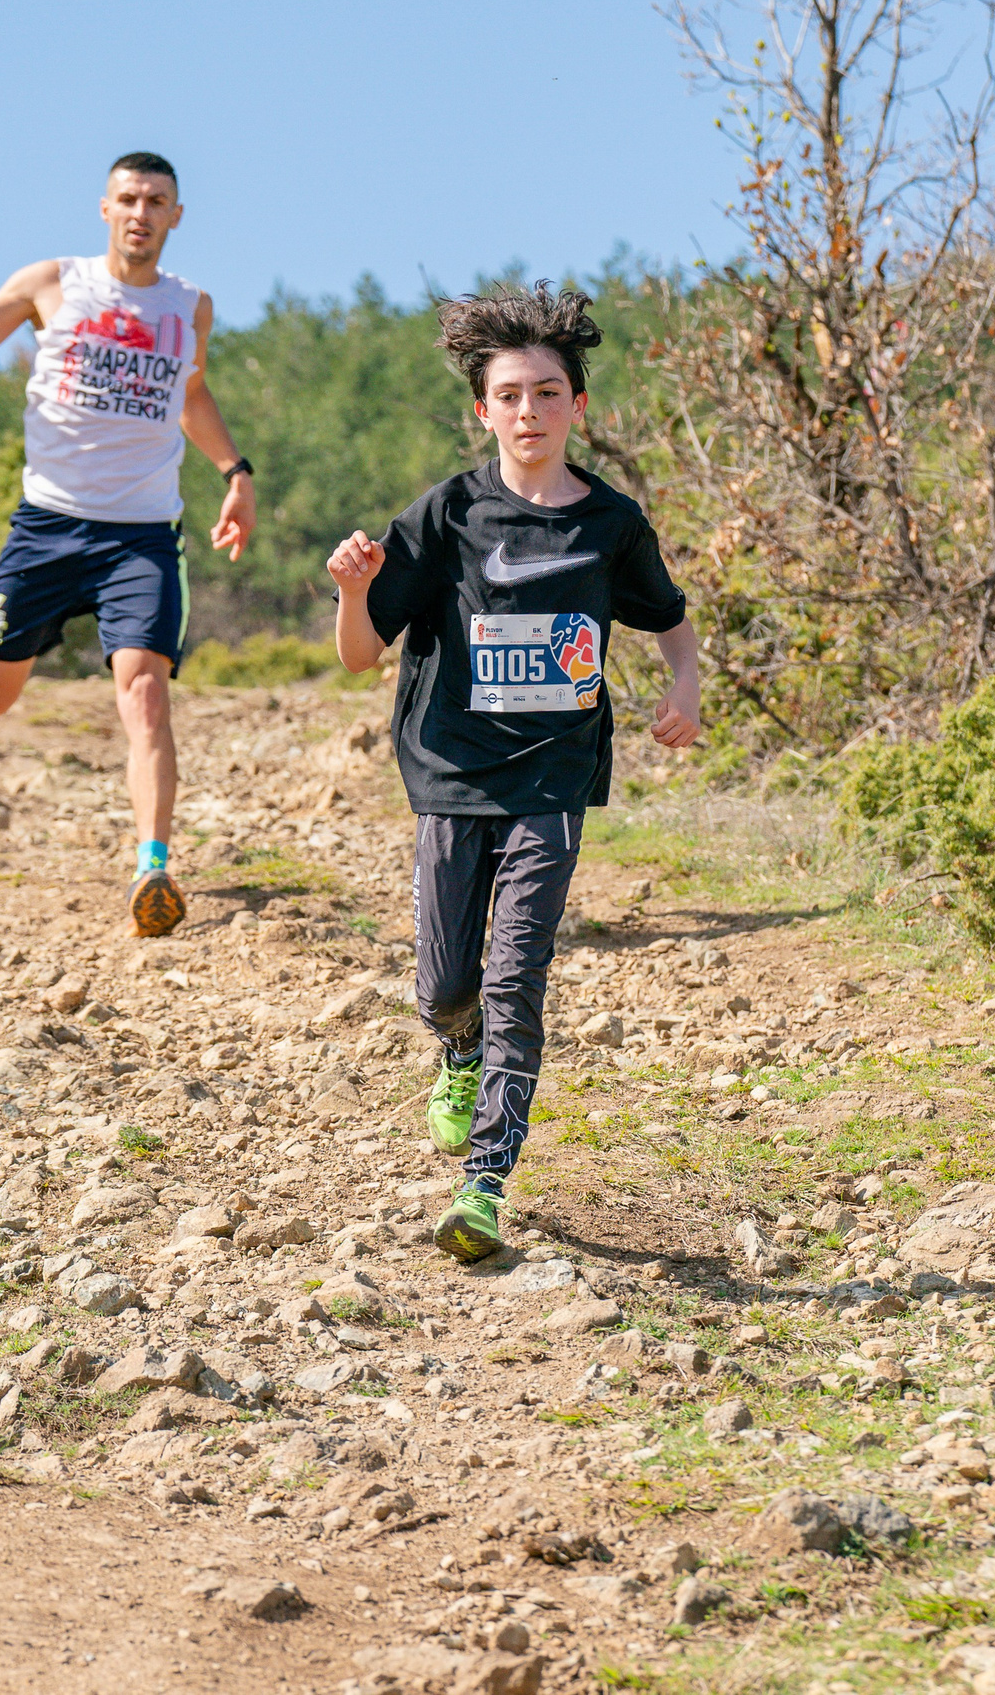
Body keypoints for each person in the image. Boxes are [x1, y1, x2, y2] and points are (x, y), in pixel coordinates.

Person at [326, 284, 702, 1265]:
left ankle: (484, 1182)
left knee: (514, 976)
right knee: (448, 983)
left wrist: (686, 688)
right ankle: (454, 1050)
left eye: (546, 393)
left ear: (576, 406)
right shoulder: (446, 515)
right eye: (509, 395)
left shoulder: (610, 523)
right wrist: (354, 592)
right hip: (451, 773)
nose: (528, 412)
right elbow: (360, 656)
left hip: (552, 778)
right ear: (483, 410)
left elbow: (667, 617)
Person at [0, 152, 257, 939]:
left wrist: (234, 471)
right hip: (48, 527)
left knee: (146, 690)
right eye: (128, 198)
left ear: (175, 216)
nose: (141, 212)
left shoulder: (190, 306)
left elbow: (190, 392)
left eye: (156, 201)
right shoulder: (50, 283)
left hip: (142, 537)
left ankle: (153, 866)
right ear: (105, 209)